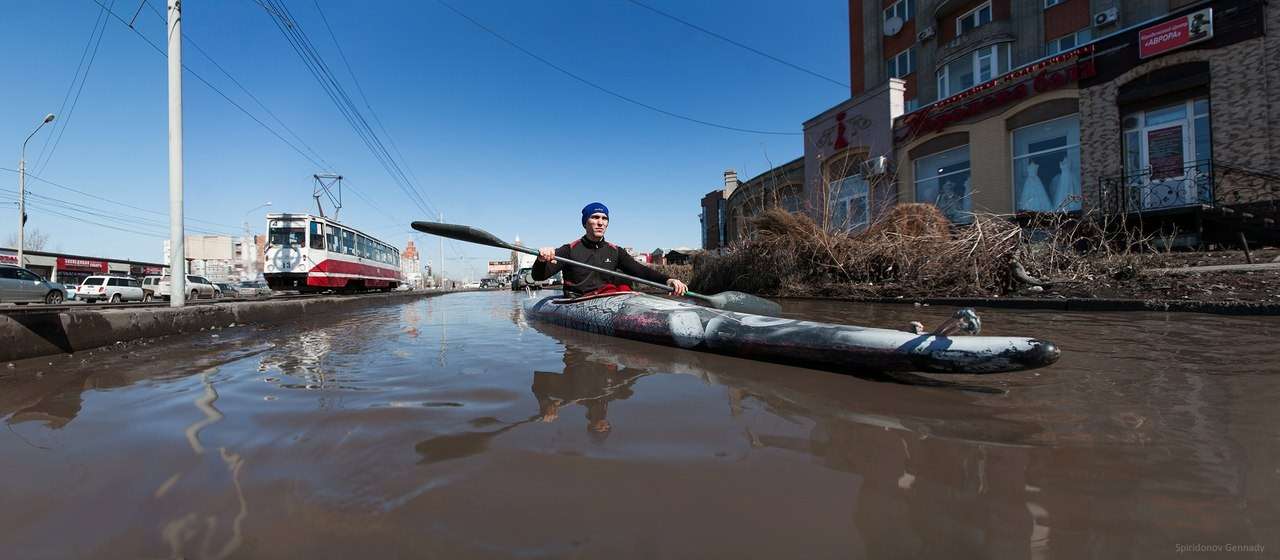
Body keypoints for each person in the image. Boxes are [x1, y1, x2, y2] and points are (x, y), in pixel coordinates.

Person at [532, 202, 688, 298]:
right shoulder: (569, 250)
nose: (600, 222)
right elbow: (538, 276)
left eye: (604, 218)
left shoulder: (615, 251)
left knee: (624, 284)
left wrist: (668, 280)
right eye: (595, 217)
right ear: (585, 223)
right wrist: (540, 260)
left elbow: (640, 271)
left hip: (609, 298)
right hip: (577, 301)